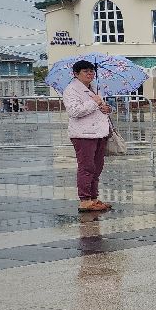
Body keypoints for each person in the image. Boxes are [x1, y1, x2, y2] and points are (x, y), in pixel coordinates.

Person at [62, 60, 113, 213]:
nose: (90, 73)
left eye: (92, 71)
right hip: (83, 135)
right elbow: (74, 111)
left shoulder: (95, 88)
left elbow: (100, 108)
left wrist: (106, 108)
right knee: (87, 167)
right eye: (86, 71)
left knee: (97, 168)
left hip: (100, 133)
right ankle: (85, 200)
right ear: (76, 74)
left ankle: (94, 198)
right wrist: (94, 103)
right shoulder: (71, 90)